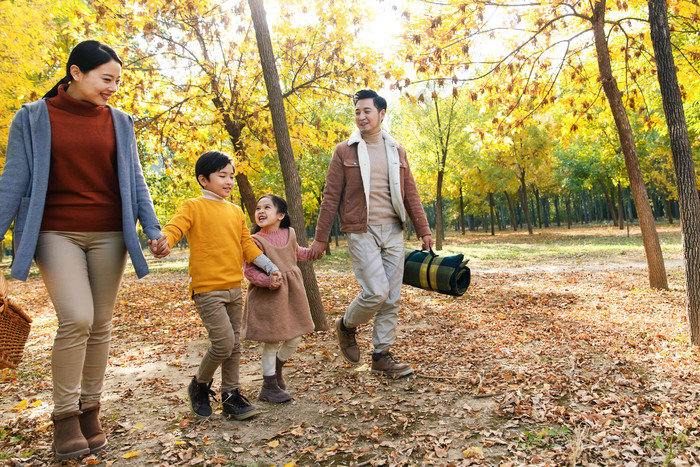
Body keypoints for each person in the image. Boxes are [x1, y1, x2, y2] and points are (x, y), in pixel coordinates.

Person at [0, 40, 169, 460]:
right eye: (106, 79)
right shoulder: (32, 118)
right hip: (55, 232)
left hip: (111, 234)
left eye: (117, 80)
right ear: (76, 73)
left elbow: (136, 179)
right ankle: (64, 417)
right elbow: (12, 182)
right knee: (77, 318)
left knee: (102, 323)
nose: (113, 87)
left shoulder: (120, 121)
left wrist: (151, 227)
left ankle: (90, 409)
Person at [309, 89, 434, 377]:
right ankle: (346, 325)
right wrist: (320, 238)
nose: (361, 116)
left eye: (367, 111)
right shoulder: (344, 150)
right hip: (360, 230)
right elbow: (331, 197)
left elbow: (411, 193)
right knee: (376, 292)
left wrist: (424, 230)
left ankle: (381, 355)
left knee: (391, 297)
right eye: (357, 112)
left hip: (393, 230)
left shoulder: (396, 149)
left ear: (381, 114)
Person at [159, 151, 281, 421]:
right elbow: (175, 227)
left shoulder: (235, 210)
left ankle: (231, 395)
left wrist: (270, 267)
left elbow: (246, 245)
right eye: (222, 176)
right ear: (204, 179)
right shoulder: (193, 206)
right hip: (206, 288)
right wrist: (165, 239)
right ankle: (200, 384)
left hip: (233, 288)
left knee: (234, 345)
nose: (228, 181)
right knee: (223, 343)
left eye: (231, 176)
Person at [243, 195, 316, 403]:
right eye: (258, 208)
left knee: (296, 334)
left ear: (280, 215)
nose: (261, 211)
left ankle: (276, 368)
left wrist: (312, 253)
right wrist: (267, 281)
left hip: (292, 293)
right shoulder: (255, 240)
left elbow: (295, 252)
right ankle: (269, 386)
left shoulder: (290, 233)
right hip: (269, 297)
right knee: (272, 341)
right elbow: (248, 270)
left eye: (267, 207)